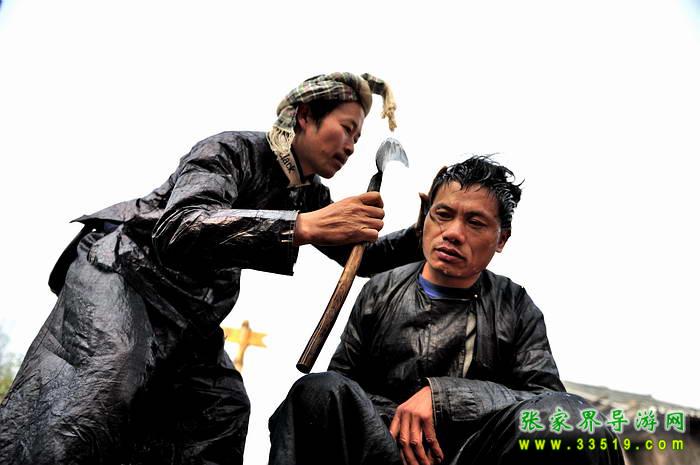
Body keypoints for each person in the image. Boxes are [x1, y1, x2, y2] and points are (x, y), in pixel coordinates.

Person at [0, 72, 423, 465]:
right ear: (306, 116)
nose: (351, 146)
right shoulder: (230, 151)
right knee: (97, 390)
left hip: (189, 315)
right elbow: (180, 225)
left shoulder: (308, 194)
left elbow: (364, 259)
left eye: (358, 137)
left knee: (220, 409)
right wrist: (300, 227)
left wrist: (425, 232)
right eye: (346, 129)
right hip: (126, 275)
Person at [269, 156, 624, 465]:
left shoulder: (515, 305)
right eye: (443, 215)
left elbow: (543, 397)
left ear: (501, 238)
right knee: (317, 392)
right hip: (383, 451)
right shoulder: (380, 290)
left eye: (475, 222)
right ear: (426, 219)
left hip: (475, 454)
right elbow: (343, 393)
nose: (453, 233)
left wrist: (443, 398)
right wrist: (400, 423)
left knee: (570, 417)